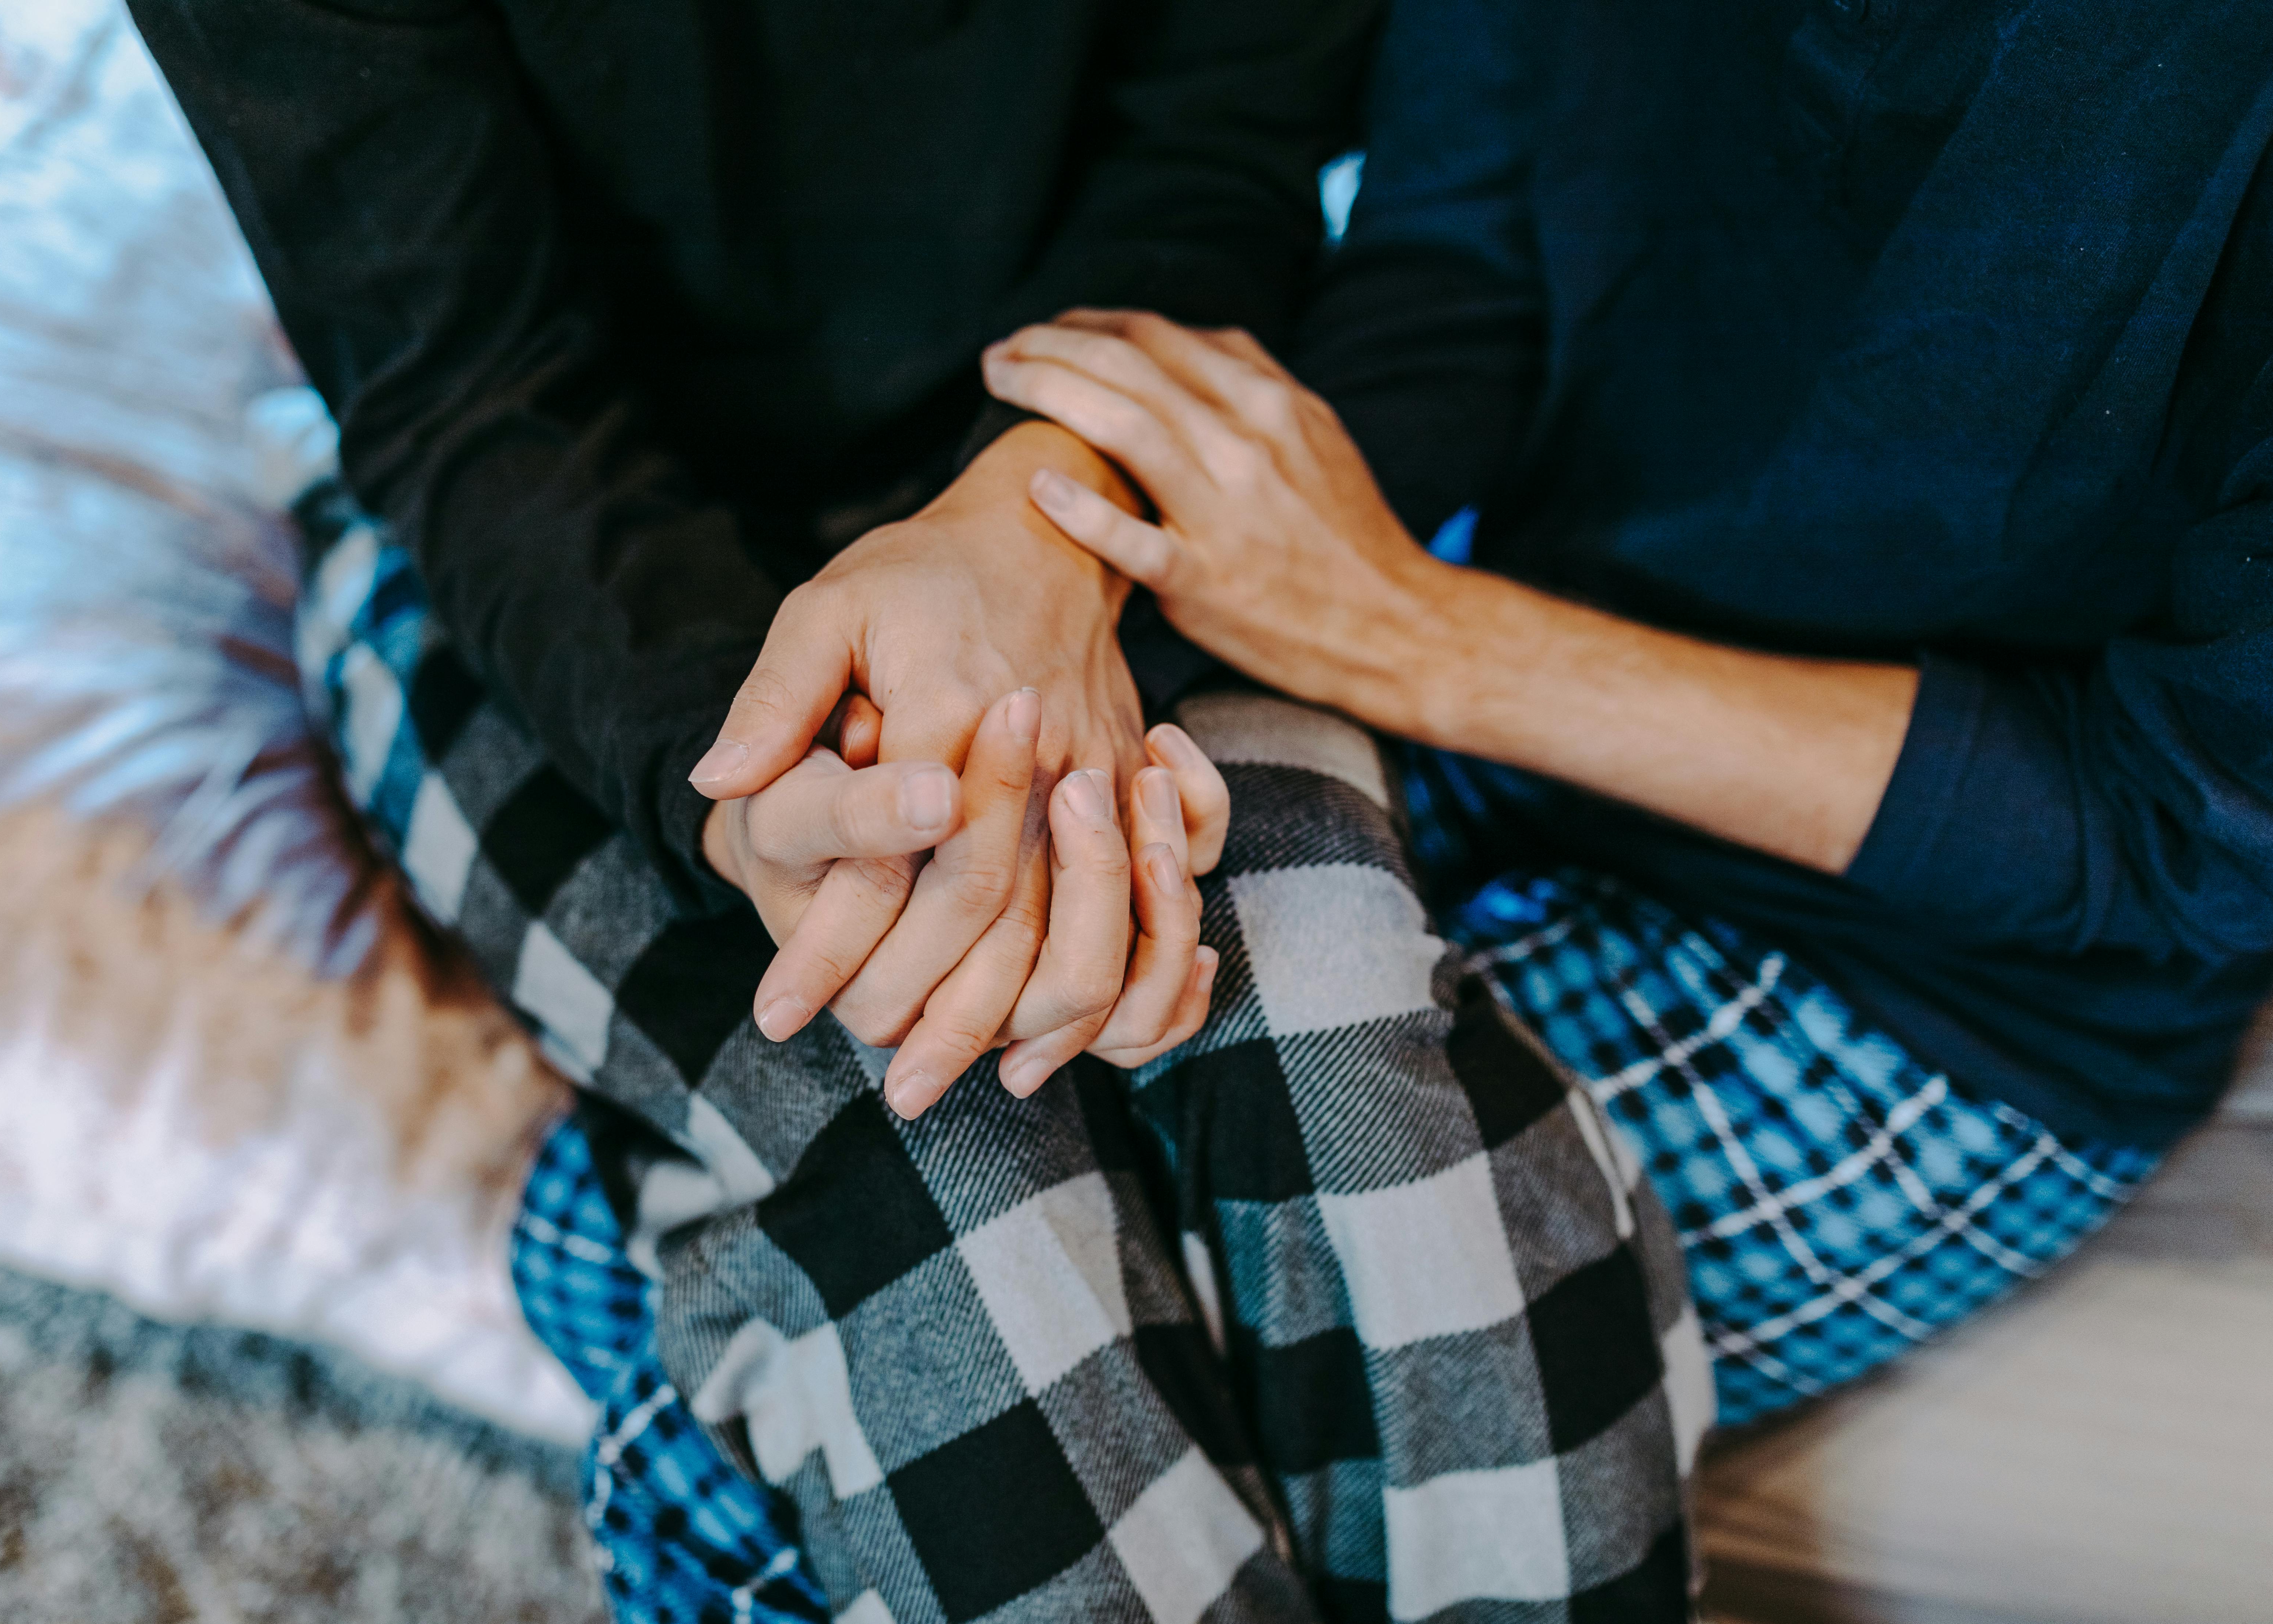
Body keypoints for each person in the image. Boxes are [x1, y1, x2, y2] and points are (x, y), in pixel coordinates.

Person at [137, 1, 1704, 1620]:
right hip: (548, 550)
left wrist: (1034, 521)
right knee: (926, 1152)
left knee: (1330, 1012)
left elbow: (1219, 159)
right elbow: (465, 382)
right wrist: (736, 789)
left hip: (1081, 451)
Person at [981, 0, 2273, 1439]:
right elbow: (1459, 265)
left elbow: (2193, 835)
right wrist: (1076, 578)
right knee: (927, 1196)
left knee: (1045, 1405)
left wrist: (1415, 634)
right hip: (1497, 721)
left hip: (1948, 969)